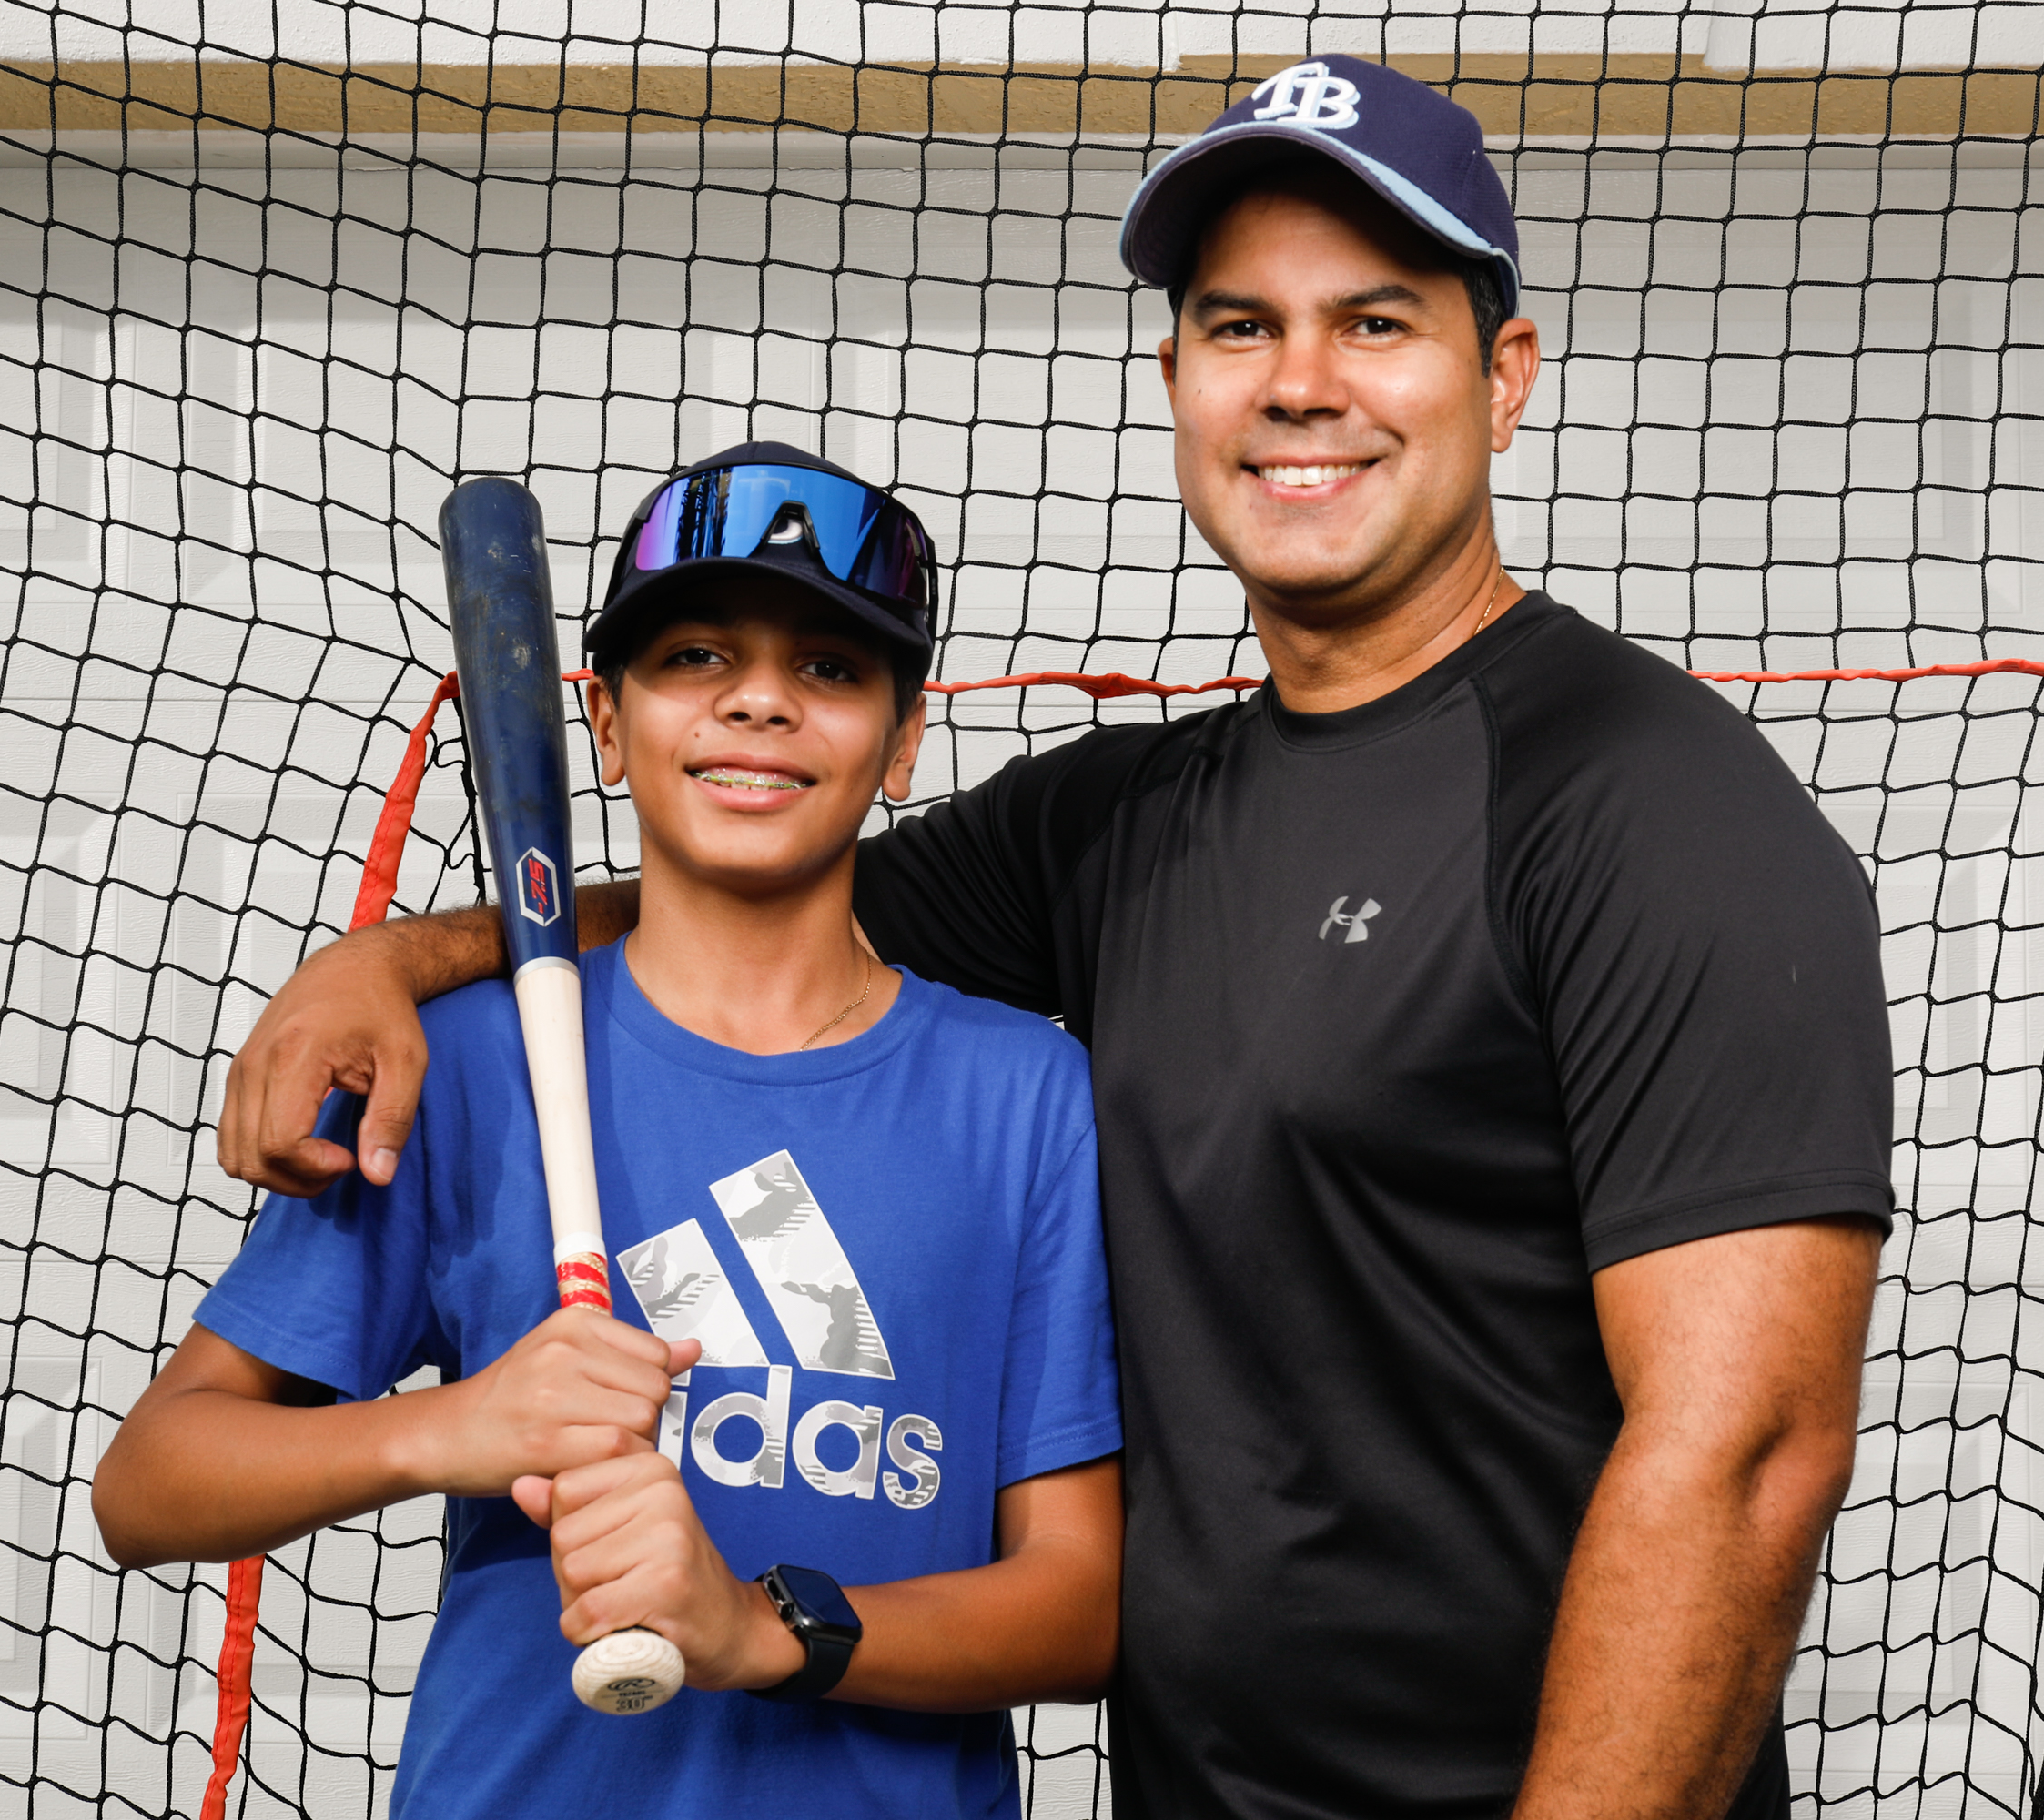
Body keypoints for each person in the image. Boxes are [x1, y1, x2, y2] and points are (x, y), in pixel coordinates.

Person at [214, 56, 1893, 1820]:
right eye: (1240, 327)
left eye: (1377, 320)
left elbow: (1749, 1457)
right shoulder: (1113, 827)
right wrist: (390, 962)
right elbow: (740, 905)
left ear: (1506, 372)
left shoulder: (1648, 803)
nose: (1303, 384)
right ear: (1176, 382)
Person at [94, 448, 1124, 1819]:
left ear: (904, 741)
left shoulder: (1025, 1096)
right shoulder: (469, 1063)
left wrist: (761, 1633)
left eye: (829, 668)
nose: (759, 698)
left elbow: (1078, 1607)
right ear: (602, 721)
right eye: (697, 656)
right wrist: (452, 1428)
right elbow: (149, 1483)